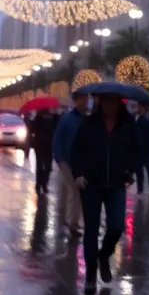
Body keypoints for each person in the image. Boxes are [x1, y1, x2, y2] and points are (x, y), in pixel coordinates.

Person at [69, 94, 139, 293]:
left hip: (116, 183)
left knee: (117, 226)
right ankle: (91, 275)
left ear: (119, 103)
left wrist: (129, 170)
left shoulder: (127, 124)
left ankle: (104, 254)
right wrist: (78, 174)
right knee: (91, 228)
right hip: (90, 184)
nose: (109, 105)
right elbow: (76, 150)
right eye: (105, 101)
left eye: (112, 101)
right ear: (100, 103)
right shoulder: (89, 123)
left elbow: (135, 150)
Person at [52, 92, 89, 235]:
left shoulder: (87, 119)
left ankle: (66, 216)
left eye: (86, 98)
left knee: (70, 189)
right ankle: (73, 223)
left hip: (80, 161)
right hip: (65, 160)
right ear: (75, 101)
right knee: (76, 189)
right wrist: (59, 158)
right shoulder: (67, 119)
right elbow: (58, 139)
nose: (85, 101)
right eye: (82, 99)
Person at [27, 109, 56, 195]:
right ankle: (39, 185)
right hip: (39, 145)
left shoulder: (53, 118)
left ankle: (44, 183)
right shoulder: (38, 118)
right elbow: (32, 129)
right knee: (40, 166)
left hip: (49, 145)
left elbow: (55, 129)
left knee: (48, 166)